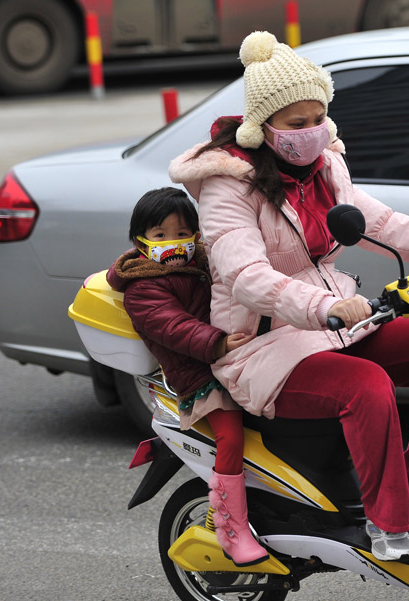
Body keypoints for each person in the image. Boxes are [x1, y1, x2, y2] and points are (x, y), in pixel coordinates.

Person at [168, 31, 409, 561]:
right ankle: (389, 526)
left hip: (337, 327)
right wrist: (325, 307)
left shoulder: (326, 167)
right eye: (296, 123)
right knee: (367, 385)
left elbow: (384, 223)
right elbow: (246, 276)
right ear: (262, 127)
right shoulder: (228, 187)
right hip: (262, 346)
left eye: (319, 118)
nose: (312, 132)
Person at [106, 187, 268, 566]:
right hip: (199, 375)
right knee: (230, 436)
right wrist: (219, 343)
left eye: (181, 233)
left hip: (235, 359)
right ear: (140, 240)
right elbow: (174, 327)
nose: (173, 242)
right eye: (160, 235)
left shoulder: (203, 262)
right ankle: (229, 527)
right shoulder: (143, 286)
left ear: (196, 235)